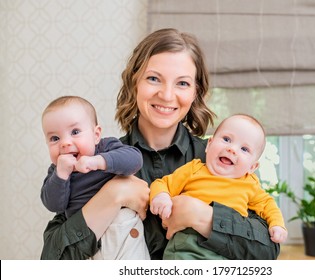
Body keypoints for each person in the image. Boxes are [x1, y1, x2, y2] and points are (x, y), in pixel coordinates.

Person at [40, 28, 280, 260]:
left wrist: (202, 216)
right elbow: (53, 259)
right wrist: (113, 194)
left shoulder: (222, 162)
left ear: (196, 92)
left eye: (182, 83)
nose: (166, 95)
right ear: (135, 82)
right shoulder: (99, 159)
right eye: (154, 79)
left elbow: (268, 249)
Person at [150, 114, 288, 259]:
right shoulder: (194, 168)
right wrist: (161, 196)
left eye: (244, 149)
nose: (232, 149)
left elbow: (267, 204)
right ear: (209, 144)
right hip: (187, 245)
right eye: (226, 139)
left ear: (252, 167)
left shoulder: (250, 183)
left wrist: (277, 224)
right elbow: (162, 183)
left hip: (228, 248)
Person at [40, 95, 149, 259]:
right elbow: (54, 205)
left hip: (123, 227)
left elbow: (134, 160)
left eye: (75, 132)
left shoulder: (105, 147)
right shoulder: (56, 171)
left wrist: (98, 162)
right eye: (55, 138)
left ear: (96, 134)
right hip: (89, 241)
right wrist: (61, 175)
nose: (65, 143)